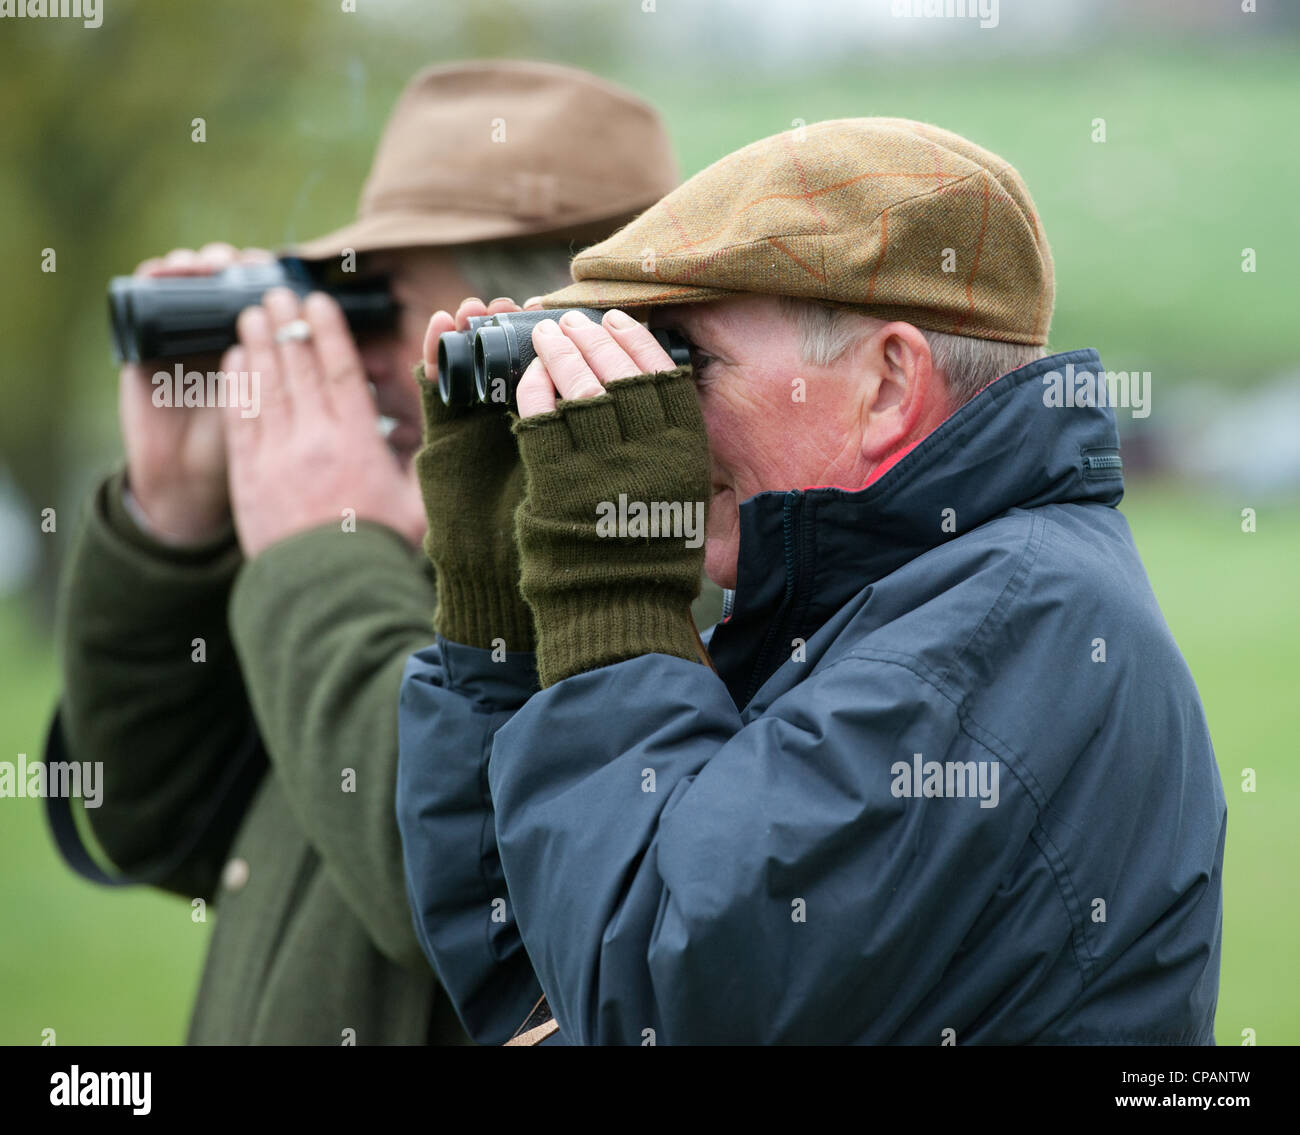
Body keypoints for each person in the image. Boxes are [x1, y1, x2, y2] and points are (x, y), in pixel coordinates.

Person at [395, 117, 1226, 1045]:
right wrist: (498, 612)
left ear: (888, 385)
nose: (656, 424)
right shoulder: (868, 609)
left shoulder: (998, 633)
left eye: (681, 364)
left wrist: (609, 594)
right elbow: (541, 982)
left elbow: (659, 1007)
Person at [43, 60, 678, 1045]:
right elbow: (152, 818)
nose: (344, 348)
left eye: (380, 311)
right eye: (336, 301)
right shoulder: (400, 568)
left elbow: (455, 885)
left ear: (528, 330)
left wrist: (320, 546)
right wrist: (173, 516)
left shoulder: (644, 580)